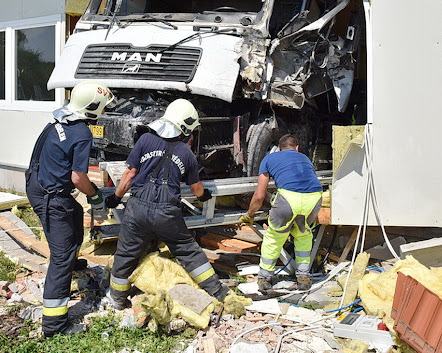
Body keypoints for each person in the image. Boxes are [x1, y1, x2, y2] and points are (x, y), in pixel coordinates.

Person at [105, 99, 229, 309]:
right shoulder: (186, 154)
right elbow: (197, 189)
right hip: (167, 213)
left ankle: (117, 299)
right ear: (185, 128)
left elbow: (129, 174)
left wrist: (116, 197)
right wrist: (204, 196)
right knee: (188, 250)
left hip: (137, 209)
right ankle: (217, 291)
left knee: (126, 253)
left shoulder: (145, 140)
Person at [25, 80, 114, 337]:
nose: (104, 113)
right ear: (93, 107)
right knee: (60, 257)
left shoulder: (58, 121)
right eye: (102, 108)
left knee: (74, 215)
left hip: (37, 183)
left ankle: (72, 263)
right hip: (51, 197)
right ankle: (54, 325)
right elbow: (78, 178)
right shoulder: (82, 133)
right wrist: (96, 196)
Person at [239, 134, 323, 291]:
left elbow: (259, 195)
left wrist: (249, 215)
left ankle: (264, 279)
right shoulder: (304, 158)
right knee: (304, 235)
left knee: (274, 238)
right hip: (315, 198)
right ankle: (303, 277)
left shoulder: (270, 159)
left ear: (278, 149)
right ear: (297, 148)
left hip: (288, 199)